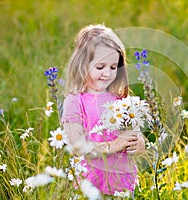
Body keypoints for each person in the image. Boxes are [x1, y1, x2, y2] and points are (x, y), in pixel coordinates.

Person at [61, 24, 146, 196]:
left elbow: (136, 135)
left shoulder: (120, 98)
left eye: (113, 67)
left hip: (123, 184)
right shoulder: (75, 100)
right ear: (82, 64)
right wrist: (115, 145)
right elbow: (77, 146)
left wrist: (139, 143)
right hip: (90, 186)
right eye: (100, 67)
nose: (107, 73)